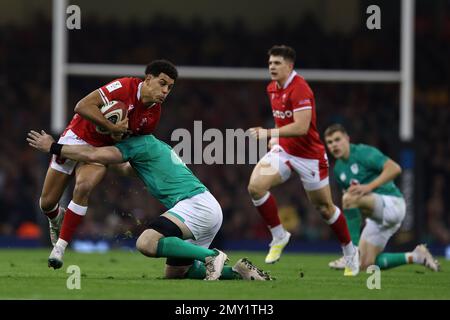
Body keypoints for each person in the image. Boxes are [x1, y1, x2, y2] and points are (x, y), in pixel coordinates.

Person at [27, 130, 273, 281]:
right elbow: (122, 167)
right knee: (178, 273)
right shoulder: (149, 148)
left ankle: (212, 256)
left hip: (195, 205)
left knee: (146, 243)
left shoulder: (138, 143)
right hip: (205, 206)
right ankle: (240, 272)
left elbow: (94, 155)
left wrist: (53, 147)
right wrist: (93, 163)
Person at [38, 60, 178, 269]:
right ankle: (56, 218)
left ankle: (59, 248)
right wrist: (110, 126)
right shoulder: (124, 86)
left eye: (170, 87)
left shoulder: (153, 115)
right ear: (148, 79)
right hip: (76, 137)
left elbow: (131, 146)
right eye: (162, 83)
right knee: (47, 203)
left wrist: (136, 168)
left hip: (100, 151)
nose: (165, 91)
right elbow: (82, 106)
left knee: (83, 186)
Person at [247, 45, 359, 276]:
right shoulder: (272, 88)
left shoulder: (300, 89)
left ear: (290, 66)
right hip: (285, 151)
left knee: (324, 208)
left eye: (277, 63)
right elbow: (283, 121)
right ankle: (279, 235)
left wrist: (269, 133)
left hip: (310, 156)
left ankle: (350, 252)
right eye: (270, 63)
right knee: (256, 187)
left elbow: (301, 126)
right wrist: (277, 139)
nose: (272, 67)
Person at [324, 123, 440, 272]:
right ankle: (416, 256)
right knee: (367, 264)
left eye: (337, 139)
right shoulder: (339, 169)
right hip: (376, 216)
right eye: (330, 142)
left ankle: (350, 254)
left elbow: (395, 168)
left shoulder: (363, 153)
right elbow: (353, 210)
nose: (334, 145)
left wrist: (369, 187)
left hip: (392, 203)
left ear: (347, 138)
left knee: (348, 198)